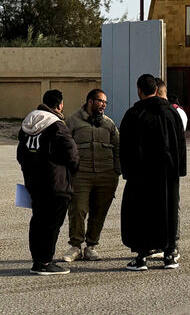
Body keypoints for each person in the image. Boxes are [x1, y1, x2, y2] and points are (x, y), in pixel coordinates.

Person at [119, 74, 187, 271]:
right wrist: (180, 170)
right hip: (169, 173)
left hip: (141, 174)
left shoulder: (134, 114)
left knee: (141, 212)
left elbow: (126, 147)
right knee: (169, 210)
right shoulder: (171, 113)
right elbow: (180, 144)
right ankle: (170, 255)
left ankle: (141, 257)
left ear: (139, 90)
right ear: (156, 90)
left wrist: (127, 172)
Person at [16, 90, 79, 275]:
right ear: (59, 105)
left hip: (34, 183)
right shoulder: (56, 125)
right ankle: (46, 263)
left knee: (38, 222)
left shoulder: (27, 124)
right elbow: (72, 153)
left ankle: (37, 261)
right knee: (51, 225)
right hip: (56, 184)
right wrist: (70, 173)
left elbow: (21, 155)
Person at [61, 89, 120, 263]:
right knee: (77, 210)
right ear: (89, 101)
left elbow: (118, 148)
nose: (103, 105)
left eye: (105, 102)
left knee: (99, 211)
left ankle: (91, 246)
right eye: (100, 101)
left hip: (106, 175)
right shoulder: (72, 122)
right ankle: (75, 246)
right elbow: (64, 148)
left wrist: (117, 171)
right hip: (81, 175)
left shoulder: (109, 124)